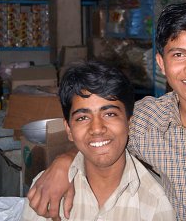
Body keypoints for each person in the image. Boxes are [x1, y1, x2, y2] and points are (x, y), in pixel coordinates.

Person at [27, 3, 186, 221]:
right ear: (161, 63)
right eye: (179, 55)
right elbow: (95, 133)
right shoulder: (145, 120)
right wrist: (64, 162)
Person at [22, 61, 175, 221]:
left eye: (109, 114)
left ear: (129, 123)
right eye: (82, 118)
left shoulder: (156, 203)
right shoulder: (46, 188)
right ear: (69, 130)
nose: (96, 128)